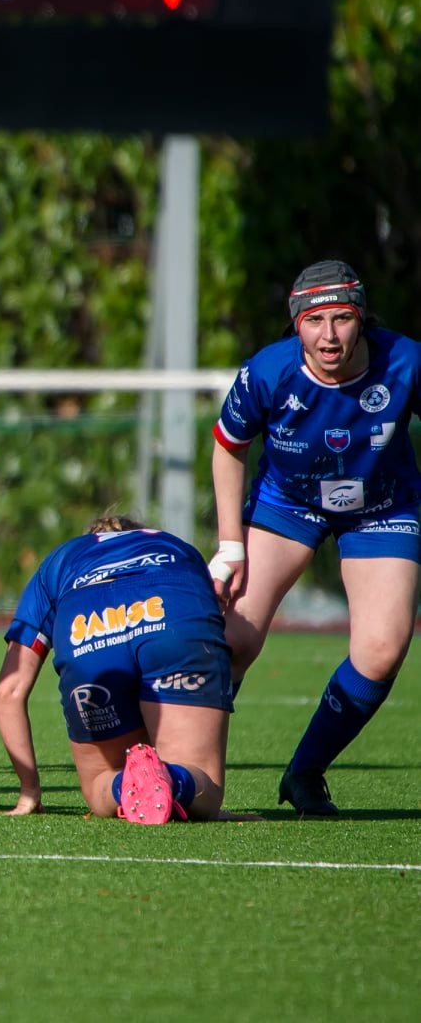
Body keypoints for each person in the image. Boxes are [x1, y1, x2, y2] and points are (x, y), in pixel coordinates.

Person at [208, 261, 420, 817]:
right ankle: (188, 774)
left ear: (362, 319)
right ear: (297, 324)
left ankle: (304, 774)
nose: (329, 335)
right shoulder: (268, 371)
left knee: (381, 649)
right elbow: (229, 447)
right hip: (289, 502)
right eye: (315, 320)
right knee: (233, 639)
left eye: (343, 319)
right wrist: (231, 545)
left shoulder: (405, 360)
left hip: (382, 506)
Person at [0, 516, 237, 823]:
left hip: (91, 632)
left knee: (100, 786)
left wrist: (30, 790)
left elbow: (8, 692)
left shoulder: (60, 560)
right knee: (204, 790)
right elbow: (215, 617)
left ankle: (125, 785)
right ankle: (174, 781)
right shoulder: (176, 546)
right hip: (172, 616)